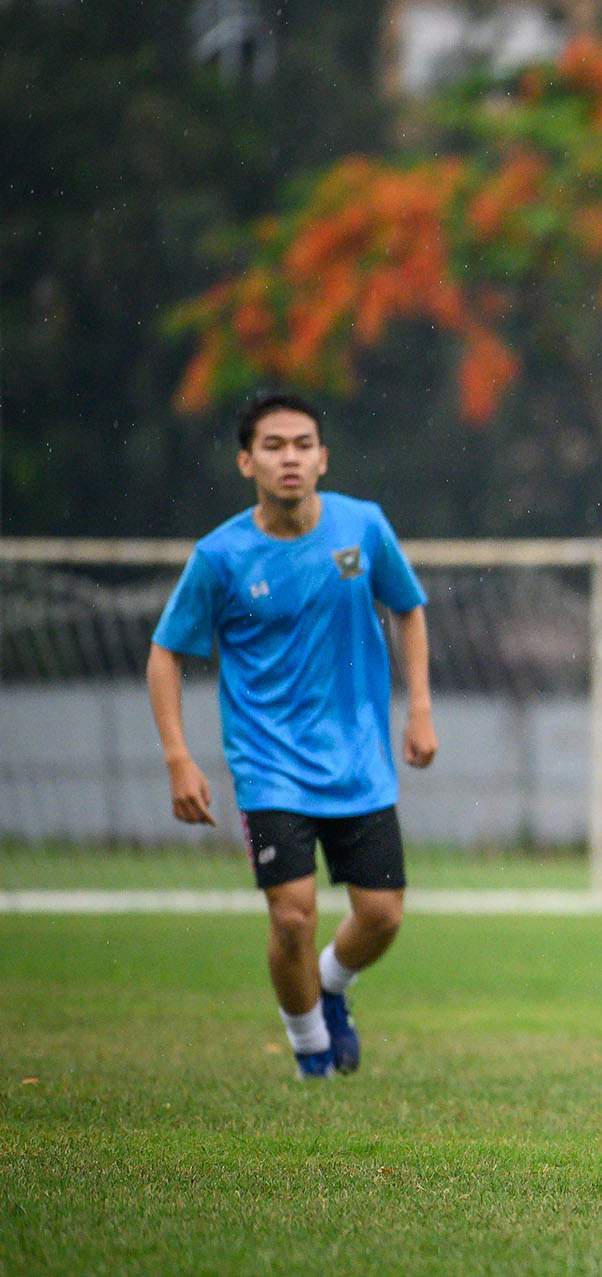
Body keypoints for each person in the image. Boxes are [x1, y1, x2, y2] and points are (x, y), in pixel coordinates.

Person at [148, 390, 436, 1080]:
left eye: (303, 445)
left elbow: (408, 608)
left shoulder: (362, 527)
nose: (290, 458)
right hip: (268, 764)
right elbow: (165, 653)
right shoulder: (221, 556)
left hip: (359, 758)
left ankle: (330, 985)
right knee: (293, 916)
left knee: (383, 915)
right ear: (247, 461)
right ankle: (311, 1051)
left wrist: (420, 706)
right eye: (273, 446)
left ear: (323, 458)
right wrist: (178, 757)